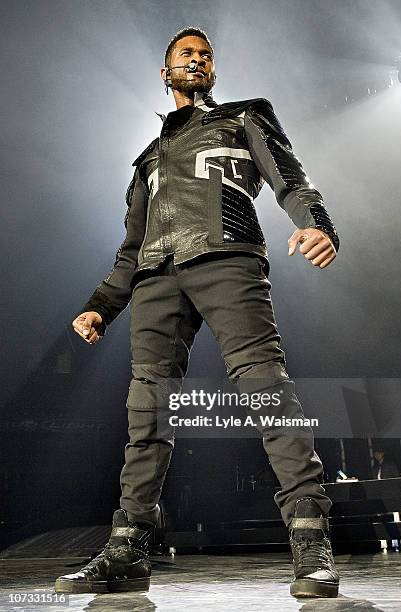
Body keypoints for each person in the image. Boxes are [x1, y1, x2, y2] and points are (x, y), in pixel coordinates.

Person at [55, 27, 340, 598]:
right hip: (156, 280)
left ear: (213, 70)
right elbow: (130, 249)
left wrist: (316, 223)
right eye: (185, 53)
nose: (197, 59)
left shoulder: (245, 117)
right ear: (166, 74)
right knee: (147, 412)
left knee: (265, 388)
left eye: (205, 54)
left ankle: (312, 545)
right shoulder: (145, 161)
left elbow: (291, 179)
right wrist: (100, 307)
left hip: (227, 260)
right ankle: (128, 551)